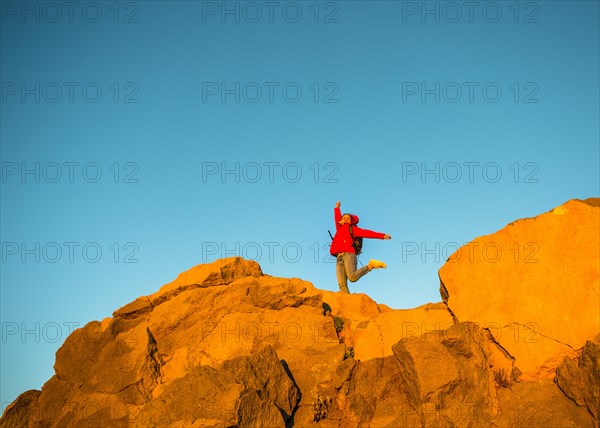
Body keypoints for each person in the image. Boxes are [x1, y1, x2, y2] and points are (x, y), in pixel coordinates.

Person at [330, 201, 391, 293]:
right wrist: (337, 208)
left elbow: (367, 233)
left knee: (352, 277)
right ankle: (347, 304)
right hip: (339, 257)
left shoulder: (353, 229)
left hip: (349, 255)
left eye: (348, 218)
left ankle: (371, 265)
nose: (346, 219)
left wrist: (382, 235)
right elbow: (337, 219)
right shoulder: (339, 229)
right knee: (342, 284)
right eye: (344, 218)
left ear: (351, 221)